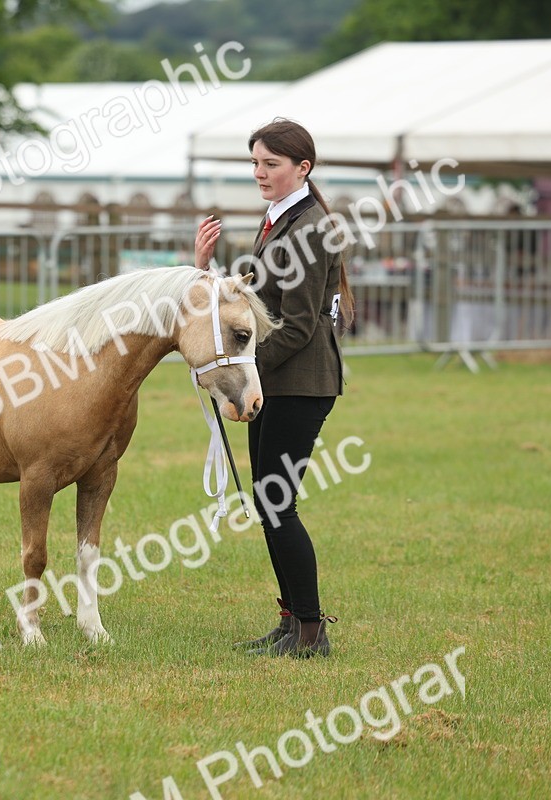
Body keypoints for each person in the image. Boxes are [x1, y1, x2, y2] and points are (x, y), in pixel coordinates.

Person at [194, 118, 354, 658]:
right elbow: (256, 301)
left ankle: (311, 632)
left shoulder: (309, 228)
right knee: (269, 502)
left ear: (301, 168)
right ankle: (292, 623)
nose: (260, 173)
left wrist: (242, 369)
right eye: (255, 163)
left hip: (300, 383)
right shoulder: (281, 217)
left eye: (272, 164)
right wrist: (205, 271)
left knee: (277, 503)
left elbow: (300, 324)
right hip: (275, 381)